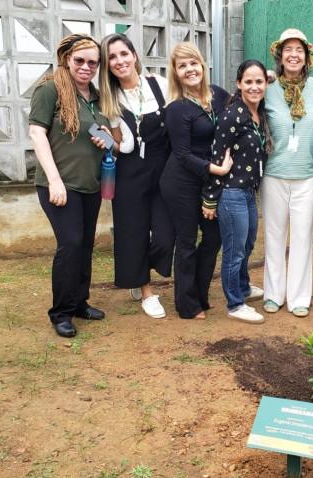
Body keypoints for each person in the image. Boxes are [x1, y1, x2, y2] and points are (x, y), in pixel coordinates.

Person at [28, 34, 111, 337]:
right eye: (80, 60)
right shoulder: (50, 89)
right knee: (71, 243)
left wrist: (106, 136)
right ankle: (60, 312)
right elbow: (37, 134)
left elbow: (104, 136)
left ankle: (79, 302)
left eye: (93, 62)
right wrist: (54, 181)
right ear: (66, 58)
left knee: (85, 245)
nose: (86, 67)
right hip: (60, 185)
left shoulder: (96, 97)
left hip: (89, 185)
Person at [160, 42, 246, 319]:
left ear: (202, 65)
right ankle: (187, 304)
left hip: (208, 182)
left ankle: (200, 293)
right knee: (186, 240)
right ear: (175, 72)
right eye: (182, 66)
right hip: (181, 181)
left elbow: (243, 106)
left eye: (193, 63)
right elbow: (182, 154)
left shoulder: (219, 96)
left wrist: (266, 80)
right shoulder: (176, 108)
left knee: (213, 237)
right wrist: (217, 170)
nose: (189, 70)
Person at [98, 33, 174, 319]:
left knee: (166, 236)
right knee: (133, 233)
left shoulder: (159, 84)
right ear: (107, 66)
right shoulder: (110, 99)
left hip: (163, 169)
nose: (119, 61)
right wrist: (106, 138)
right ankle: (145, 290)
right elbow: (124, 145)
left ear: (134, 55)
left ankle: (137, 267)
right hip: (130, 172)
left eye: (123, 54)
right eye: (112, 58)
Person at [261, 28, 313, 317]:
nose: (293, 54)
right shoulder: (267, 87)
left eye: (298, 50)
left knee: (301, 237)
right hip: (274, 173)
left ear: (307, 56)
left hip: (306, 175)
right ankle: (274, 293)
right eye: (287, 49)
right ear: (279, 55)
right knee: (274, 235)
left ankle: (299, 297)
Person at [201, 60, 272, 324]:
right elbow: (217, 158)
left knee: (248, 242)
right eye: (249, 82)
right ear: (239, 84)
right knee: (234, 249)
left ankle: (242, 286)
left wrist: (271, 76)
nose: (254, 87)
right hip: (231, 193)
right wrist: (210, 198)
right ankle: (235, 303)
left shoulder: (257, 113)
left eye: (260, 81)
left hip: (248, 192)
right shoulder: (232, 116)